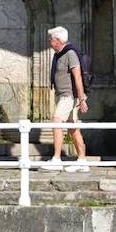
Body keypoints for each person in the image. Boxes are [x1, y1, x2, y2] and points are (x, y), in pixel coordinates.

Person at [45, 26, 90, 172]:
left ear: (58, 40)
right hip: (62, 95)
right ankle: (82, 161)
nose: (49, 41)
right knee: (73, 128)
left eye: (51, 39)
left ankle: (57, 159)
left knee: (56, 121)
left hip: (69, 96)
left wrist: (82, 99)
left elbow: (77, 78)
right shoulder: (59, 54)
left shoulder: (70, 54)